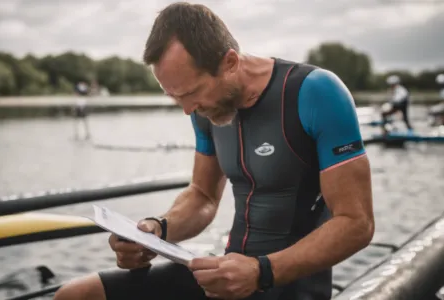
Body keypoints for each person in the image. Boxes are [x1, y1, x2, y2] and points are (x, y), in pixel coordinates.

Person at [54, 2, 374, 300]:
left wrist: (261, 271)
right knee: (76, 295)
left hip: (288, 286)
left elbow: (356, 223)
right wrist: (157, 230)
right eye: (175, 97)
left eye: (191, 93)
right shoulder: (204, 109)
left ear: (230, 62)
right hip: (228, 277)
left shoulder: (316, 91)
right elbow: (203, 197)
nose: (187, 109)